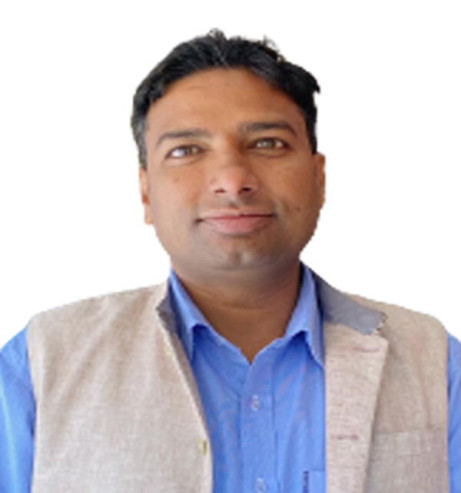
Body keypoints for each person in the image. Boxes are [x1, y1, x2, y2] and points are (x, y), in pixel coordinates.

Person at [0, 30, 459, 493]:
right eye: (186, 151)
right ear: (146, 192)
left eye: (268, 143)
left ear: (319, 179)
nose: (233, 180)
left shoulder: (435, 361)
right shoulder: (39, 364)